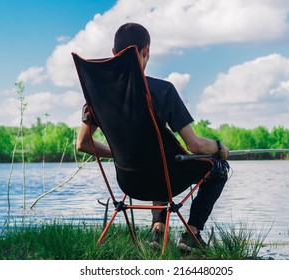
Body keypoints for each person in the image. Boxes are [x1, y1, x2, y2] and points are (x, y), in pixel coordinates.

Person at [77, 22, 230, 251]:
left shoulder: (99, 97)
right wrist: (218, 146)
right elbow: (195, 145)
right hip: (165, 179)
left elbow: (83, 144)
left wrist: (119, 154)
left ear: (113, 54)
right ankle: (192, 235)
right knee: (219, 168)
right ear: (145, 51)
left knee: (159, 155)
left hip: (129, 182)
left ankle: (158, 231)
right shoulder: (163, 90)